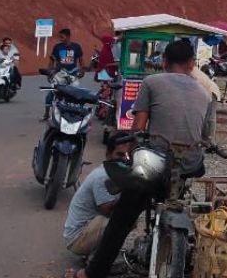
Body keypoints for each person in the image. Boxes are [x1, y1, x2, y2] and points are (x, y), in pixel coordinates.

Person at [70, 39, 213, 278]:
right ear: (191, 64)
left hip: (155, 164)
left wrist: (132, 150)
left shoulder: (151, 82)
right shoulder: (204, 91)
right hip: (189, 163)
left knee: (123, 217)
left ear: (164, 62)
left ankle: (92, 273)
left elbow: (138, 127)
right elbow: (205, 135)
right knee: (184, 183)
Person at [63, 134, 134, 257]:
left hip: (88, 229)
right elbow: (108, 211)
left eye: (128, 156)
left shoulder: (117, 174)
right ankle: (95, 261)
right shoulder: (103, 176)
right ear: (108, 154)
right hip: (77, 238)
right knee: (121, 221)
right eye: (120, 155)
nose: (125, 160)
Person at [45, 28, 85, 120]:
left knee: (77, 92)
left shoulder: (76, 47)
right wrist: (49, 72)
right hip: (60, 73)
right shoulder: (57, 47)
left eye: (62, 37)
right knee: (52, 91)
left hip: (73, 73)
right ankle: (46, 113)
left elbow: (81, 59)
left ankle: (79, 111)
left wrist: (82, 70)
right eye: (60, 37)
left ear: (68, 36)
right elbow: (51, 60)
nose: (60, 38)